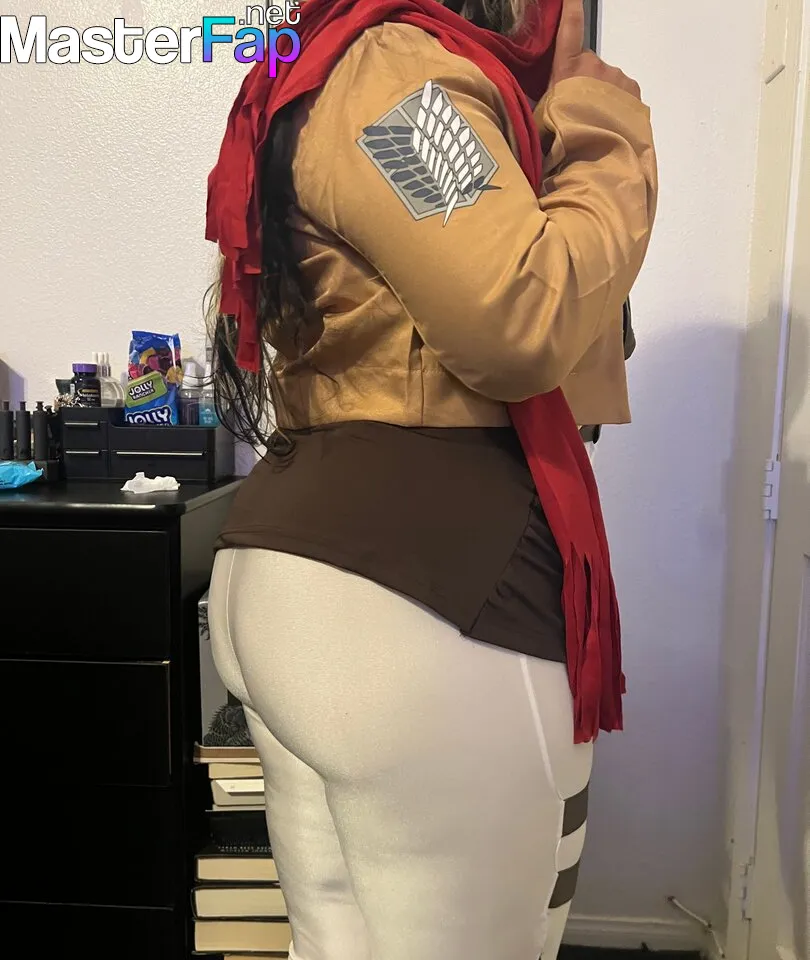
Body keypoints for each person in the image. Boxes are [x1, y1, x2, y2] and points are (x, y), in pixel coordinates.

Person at [206, 1, 657, 958]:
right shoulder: (397, 75)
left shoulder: (364, 63)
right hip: (418, 594)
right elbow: (521, 317)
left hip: (342, 582)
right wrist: (602, 124)